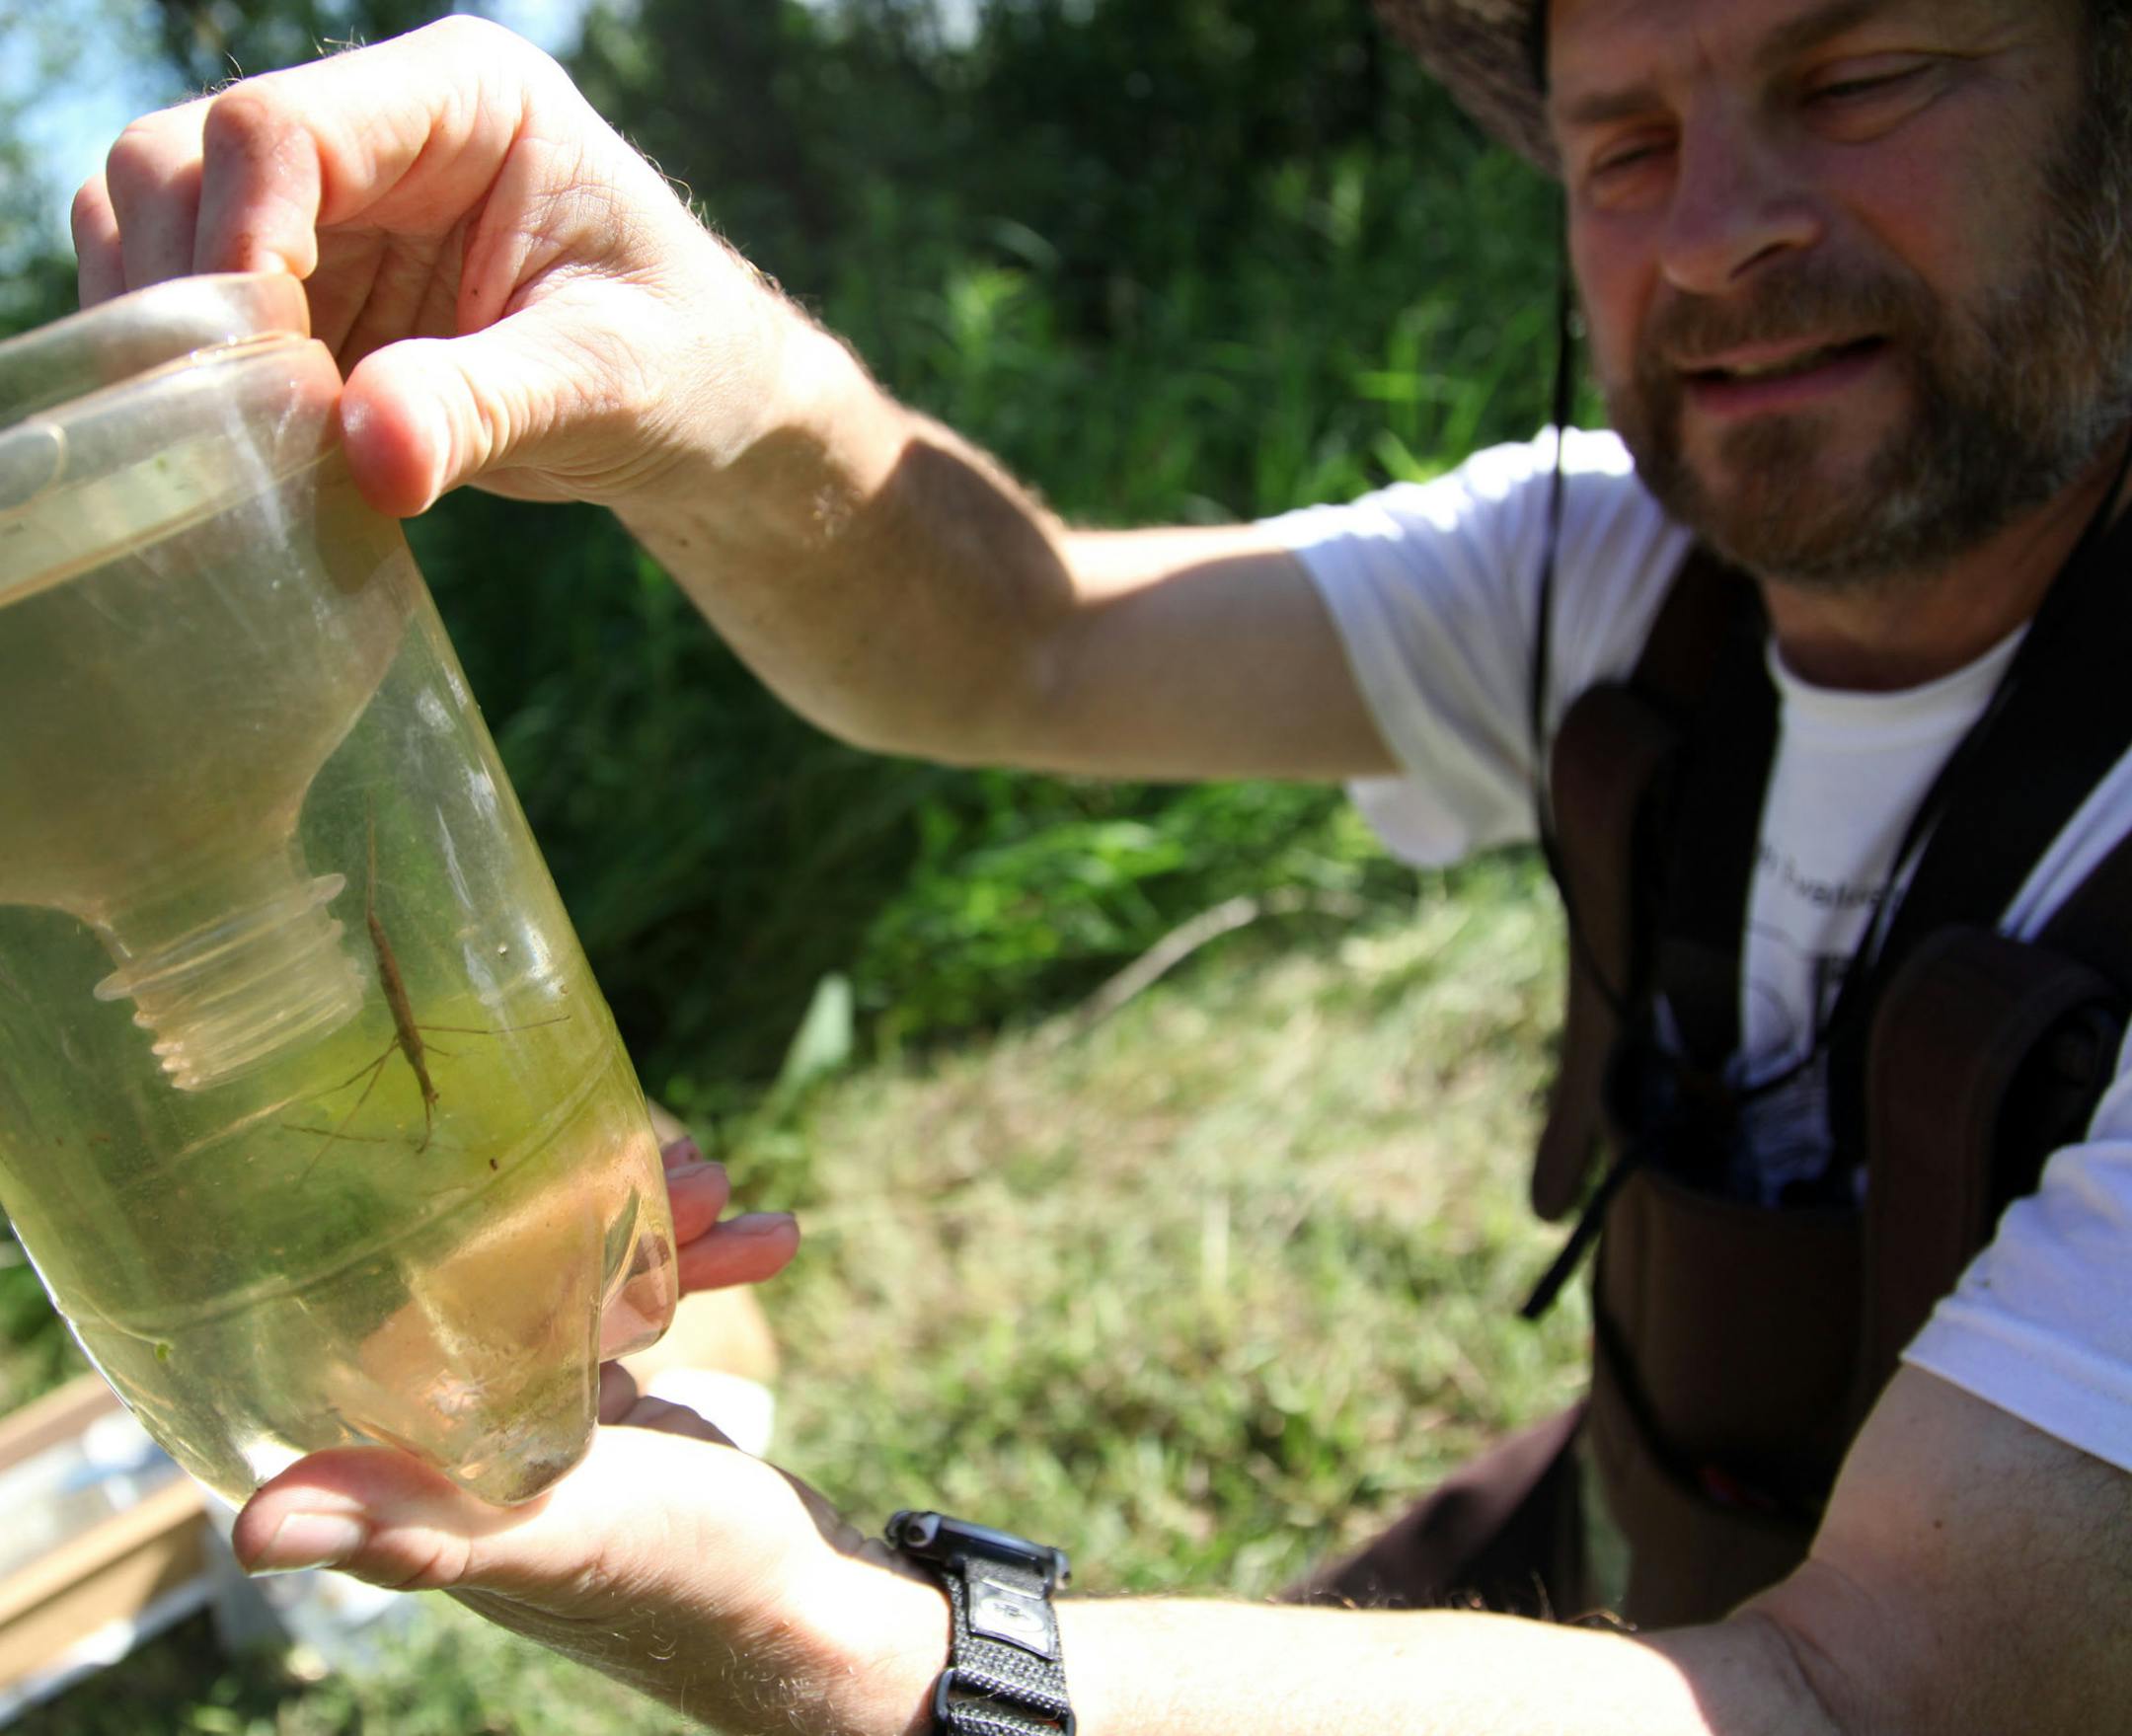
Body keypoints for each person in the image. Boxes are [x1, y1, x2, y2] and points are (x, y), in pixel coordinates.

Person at [72, 0, 2132, 1729]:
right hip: (1665, 1543)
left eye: (1861, 77)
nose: (1707, 240)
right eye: (1624, 141)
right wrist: (695, 366)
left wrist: (863, 1644)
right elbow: (1026, 638)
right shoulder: (1616, 584)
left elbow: (1872, 1689)